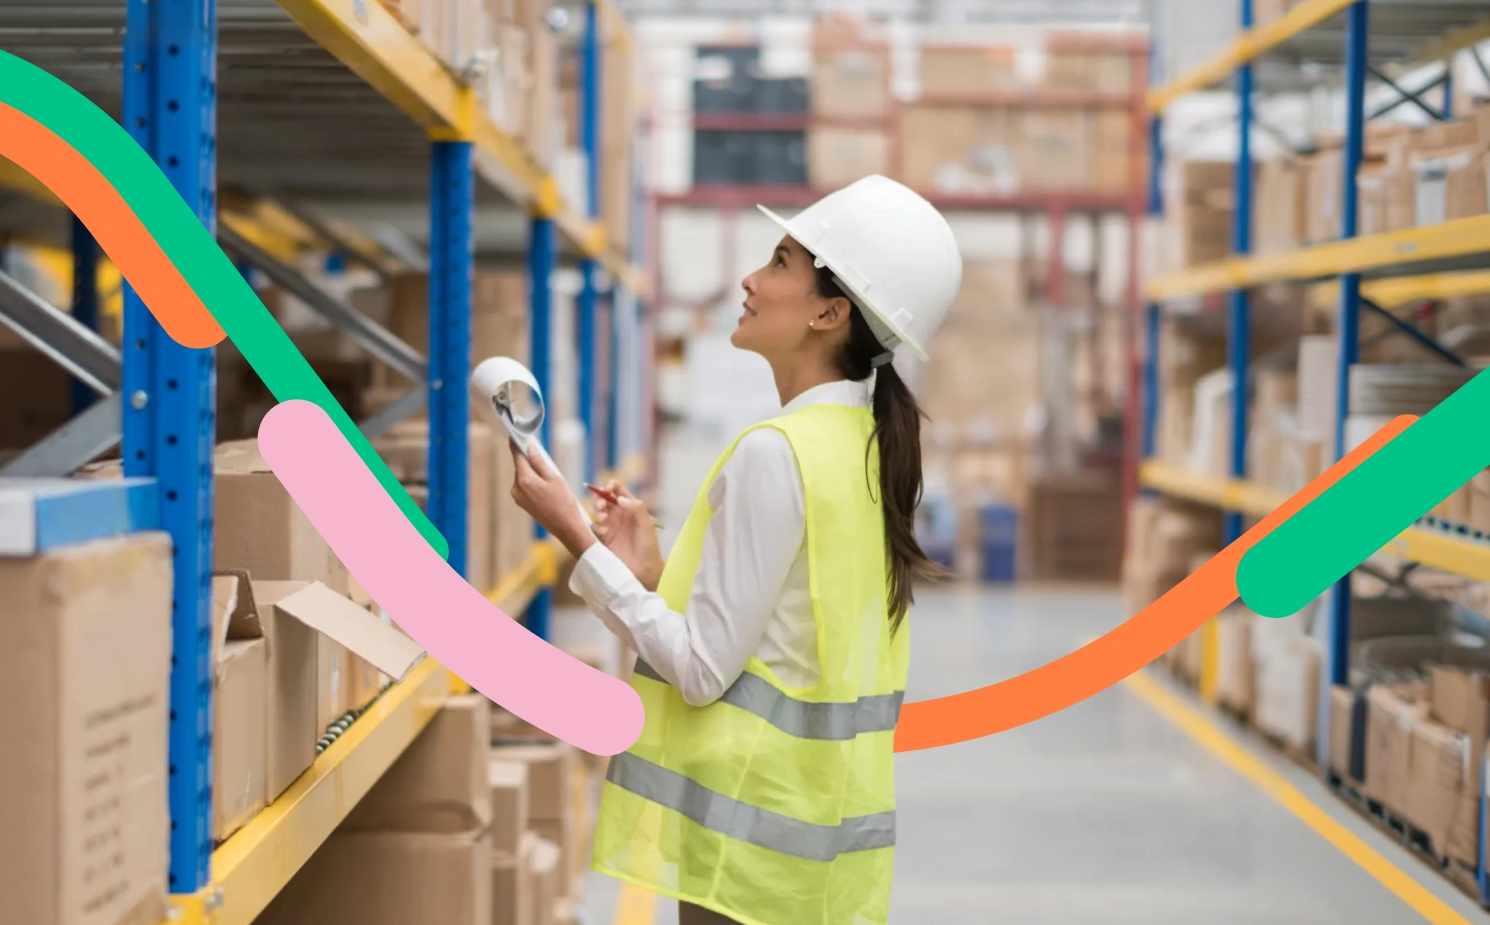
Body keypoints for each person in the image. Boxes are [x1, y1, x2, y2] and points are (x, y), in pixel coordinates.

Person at [509, 175, 963, 925]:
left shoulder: (775, 454)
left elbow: (700, 671)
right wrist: (651, 573)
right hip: (815, 848)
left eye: (781, 262)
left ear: (830, 311)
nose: (751, 280)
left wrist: (576, 537)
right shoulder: (862, 446)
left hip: (746, 850)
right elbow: (784, 635)